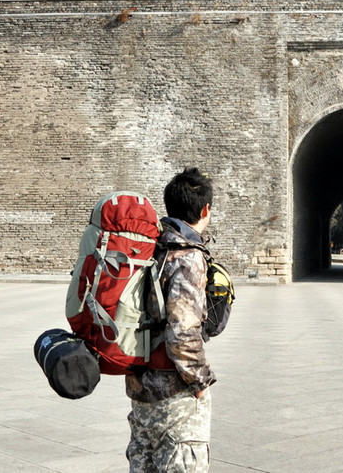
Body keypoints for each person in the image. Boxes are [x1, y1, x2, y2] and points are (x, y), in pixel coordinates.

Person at [126, 167, 217, 472]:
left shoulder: (148, 247)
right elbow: (182, 331)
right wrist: (200, 381)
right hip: (175, 397)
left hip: (141, 390)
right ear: (205, 209)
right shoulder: (187, 255)